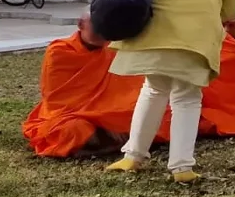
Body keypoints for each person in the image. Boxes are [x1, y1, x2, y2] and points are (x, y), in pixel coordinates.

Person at [105, 0, 235, 183]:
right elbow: (230, 12)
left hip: (155, 28)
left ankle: (133, 156)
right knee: (187, 98)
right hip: (196, 36)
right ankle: (181, 168)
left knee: (153, 89)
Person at [24, 13, 160, 158]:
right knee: (71, 130)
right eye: (97, 26)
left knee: (160, 112)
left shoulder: (114, 48)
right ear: (80, 25)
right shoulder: (59, 52)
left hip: (111, 113)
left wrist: (111, 119)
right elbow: (57, 101)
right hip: (73, 116)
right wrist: (103, 120)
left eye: (107, 27)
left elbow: (131, 86)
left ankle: (109, 142)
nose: (103, 32)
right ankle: (121, 140)